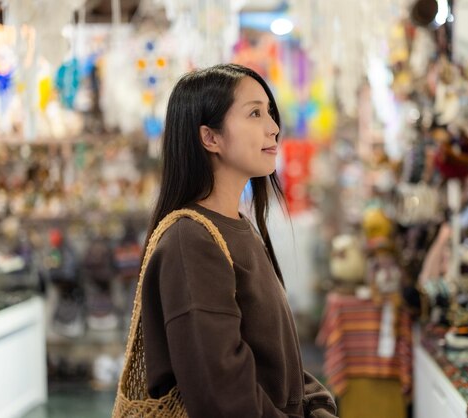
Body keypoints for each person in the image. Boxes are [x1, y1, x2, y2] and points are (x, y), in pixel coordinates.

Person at [140, 63, 338, 418]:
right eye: (255, 113)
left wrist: (317, 406)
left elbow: (276, 362)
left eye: (270, 113)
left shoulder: (236, 226)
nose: (273, 127)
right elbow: (223, 397)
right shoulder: (191, 240)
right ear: (210, 137)